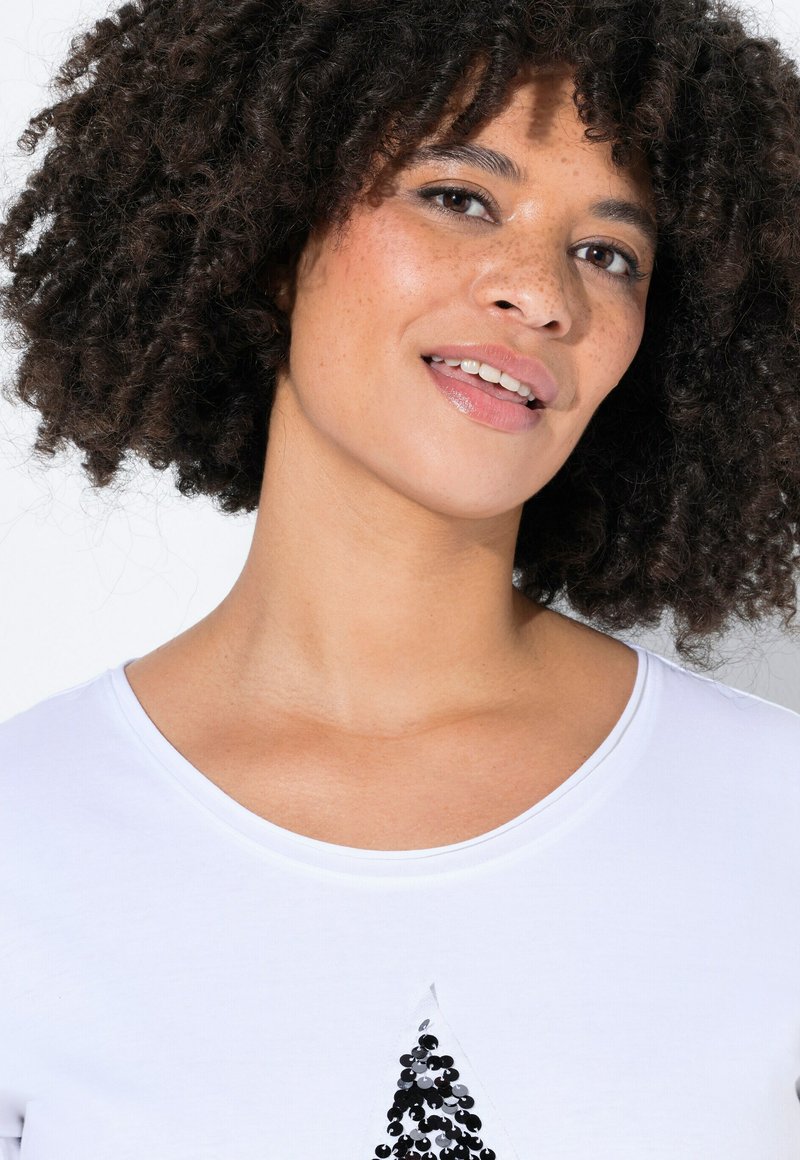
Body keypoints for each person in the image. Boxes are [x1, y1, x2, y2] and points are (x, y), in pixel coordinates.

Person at [1, 0, 800, 1155]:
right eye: (458, 198)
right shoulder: (27, 838)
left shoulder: (775, 821)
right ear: (272, 230)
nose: (542, 293)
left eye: (605, 254)